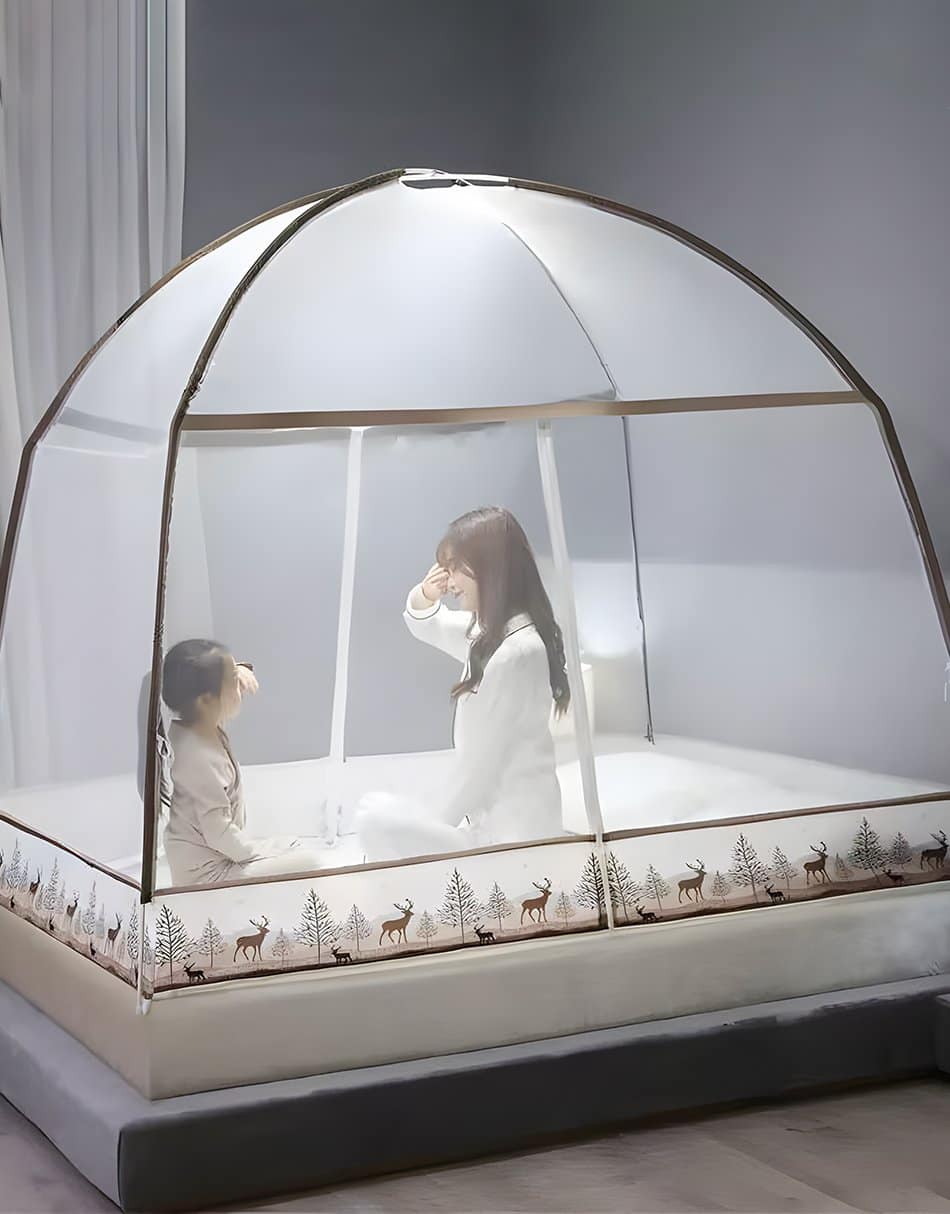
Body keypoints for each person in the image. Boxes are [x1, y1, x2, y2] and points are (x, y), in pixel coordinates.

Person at [356, 507, 569, 860]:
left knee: (376, 818)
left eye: (455, 568)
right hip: (489, 824)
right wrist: (426, 593)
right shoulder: (490, 635)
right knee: (378, 813)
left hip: (515, 837)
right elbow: (430, 624)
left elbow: (477, 769)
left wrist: (427, 830)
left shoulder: (518, 653)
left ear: (490, 568)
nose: (450, 582)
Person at [161, 639, 322, 885]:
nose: (242, 687)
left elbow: (197, 676)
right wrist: (260, 855)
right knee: (311, 863)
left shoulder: (197, 724)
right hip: (205, 876)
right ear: (205, 700)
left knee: (293, 844)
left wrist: (237, 670)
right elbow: (218, 832)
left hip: (217, 856)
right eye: (234, 682)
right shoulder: (198, 757)